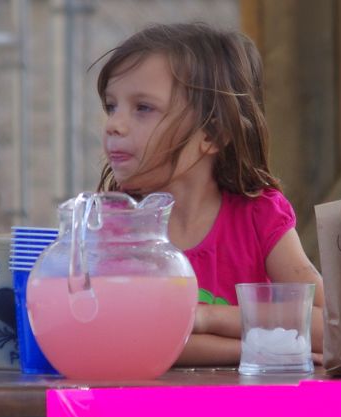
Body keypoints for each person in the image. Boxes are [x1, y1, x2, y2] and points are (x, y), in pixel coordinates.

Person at [94, 22, 324, 366]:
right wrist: (254, 348)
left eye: (142, 108)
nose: (114, 124)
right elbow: (131, 340)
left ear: (213, 134)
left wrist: (206, 318)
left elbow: (327, 323)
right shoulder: (116, 226)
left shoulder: (259, 215)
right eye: (112, 106)